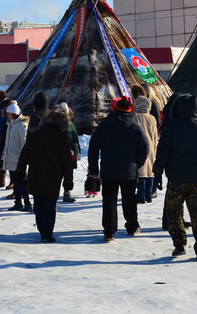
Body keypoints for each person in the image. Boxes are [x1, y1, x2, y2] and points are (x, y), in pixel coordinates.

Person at [153, 94, 197, 261]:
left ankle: (179, 244)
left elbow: (162, 153)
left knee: (173, 213)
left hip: (176, 179)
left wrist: (157, 173)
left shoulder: (171, 129)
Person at [88, 96, 149, 242]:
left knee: (109, 201)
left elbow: (93, 148)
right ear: (130, 109)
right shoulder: (135, 127)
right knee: (129, 200)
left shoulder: (105, 125)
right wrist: (137, 164)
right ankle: (132, 227)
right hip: (129, 171)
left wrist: (94, 169)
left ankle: (109, 232)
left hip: (109, 170)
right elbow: (145, 148)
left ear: (115, 108)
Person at [16, 105, 74, 242]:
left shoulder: (36, 134)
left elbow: (24, 155)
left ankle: (42, 229)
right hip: (53, 176)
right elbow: (67, 162)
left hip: (35, 174)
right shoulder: (62, 138)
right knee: (50, 206)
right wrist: (68, 181)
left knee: (38, 203)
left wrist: (20, 173)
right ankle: (46, 233)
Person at [2, 101, 31, 212]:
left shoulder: (21, 125)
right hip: (11, 158)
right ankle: (18, 202)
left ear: (13, 113)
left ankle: (27, 203)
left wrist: (23, 158)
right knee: (16, 182)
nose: (7, 116)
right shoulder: (10, 124)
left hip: (18, 159)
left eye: (9, 113)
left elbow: (24, 142)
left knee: (21, 183)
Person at [132, 91, 159, 205]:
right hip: (152, 147)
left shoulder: (135, 116)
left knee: (141, 172)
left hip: (140, 147)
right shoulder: (152, 118)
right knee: (149, 171)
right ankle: (149, 194)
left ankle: (141, 195)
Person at [56, 102, 80, 203]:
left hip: (70, 154)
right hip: (57, 154)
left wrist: (77, 151)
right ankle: (54, 193)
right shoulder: (54, 124)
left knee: (68, 175)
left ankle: (67, 192)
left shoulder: (71, 125)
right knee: (57, 175)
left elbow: (75, 139)